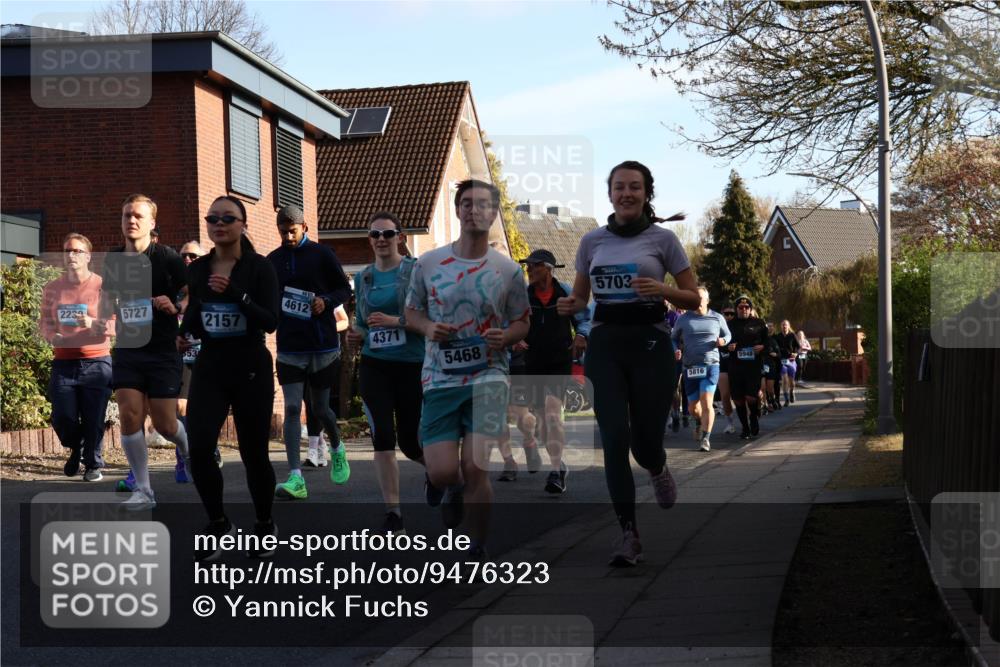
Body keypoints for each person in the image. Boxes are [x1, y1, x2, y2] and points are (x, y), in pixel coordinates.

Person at [558, 160, 699, 566]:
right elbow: (582, 299)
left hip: (651, 344)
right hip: (605, 344)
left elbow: (694, 298)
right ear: (610, 194)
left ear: (646, 193)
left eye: (634, 187)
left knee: (644, 442)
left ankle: (657, 466)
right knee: (615, 439)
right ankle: (628, 535)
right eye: (619, 187)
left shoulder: (664, 239)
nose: (626, 194)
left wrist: (663, 289)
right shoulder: (592, 241)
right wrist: (572, 304)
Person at [405, 178, 530, 560]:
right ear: (457, 210)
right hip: (440, 377)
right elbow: (411, 312)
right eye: (467, 204)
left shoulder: (508, 271)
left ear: (494, 213)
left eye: (483, 204)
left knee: (476, 466)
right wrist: (428, 327)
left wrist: (505, 338)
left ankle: (478, 547)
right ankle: (449, 486)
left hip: (488, 376)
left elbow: (523, 322)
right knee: (444, 471)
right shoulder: (428, 263)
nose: (474, 210)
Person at [179, 196, 281, 560]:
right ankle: (218, 522)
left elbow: (270, 321)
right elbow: (198, 311)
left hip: (251, 367)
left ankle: (265, 523)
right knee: (201, 446)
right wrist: (184, 331)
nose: (219, 224)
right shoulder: (198, 268)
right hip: (211, 367)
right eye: (213, 218)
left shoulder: (260, 268)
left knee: (254, 454)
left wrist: (236, 293)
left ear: (242, 224)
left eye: (228, 218)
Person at [94, 194, 189, 510]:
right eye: (126, 216)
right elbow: (108, 301)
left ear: (151, 222)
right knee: (129, 413)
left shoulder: (168, 258)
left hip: (163, 350)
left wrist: (175, 305)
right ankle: (145, 491)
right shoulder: (114, 259)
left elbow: (193, 294)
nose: (131, 221)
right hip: (130, 349)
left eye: (137, 216)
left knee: (165, 424)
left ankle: (191, 450)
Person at [345, 212, 428, 536]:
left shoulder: (415, 271)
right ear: (370, 240)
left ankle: (444, 477)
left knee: (409, 441)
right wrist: (356, 334)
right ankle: (393, 512)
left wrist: (396, 323)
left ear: (401, 237)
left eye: (388, 234)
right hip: (374, 364)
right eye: (375, 235)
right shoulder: (362, 278)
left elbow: (429, 319)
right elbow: (364, 324)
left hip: (410, 363)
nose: (381, 240)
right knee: (382, 434)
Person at [267, 205, 352, 500]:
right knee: (292, 408)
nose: (288, 236)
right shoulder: (273, 261)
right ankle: (295, 477)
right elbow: (268, 299)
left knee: (320, 409)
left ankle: (338, 447)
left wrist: (325, 301)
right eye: (283, 231)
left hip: (322, 346)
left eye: (292, 230)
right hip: (290, 346)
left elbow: (345, 290)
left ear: (304, 227)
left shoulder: (322, 255)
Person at [40, 233, 113, 481]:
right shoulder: (52, 288)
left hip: (96, 361)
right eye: (67, 251)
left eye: (77, 251)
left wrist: (94, 322)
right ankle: (76, 445)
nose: (71, 255)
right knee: (62, 416)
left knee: (94, 417)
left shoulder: (103, 285)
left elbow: (116, 324)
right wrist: (52, 337)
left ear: (88, 257)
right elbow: (45, 323)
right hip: (63, 362)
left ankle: (93, 464)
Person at [517, 248, 590, 493]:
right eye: (527, 266)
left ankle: (556, 470)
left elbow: (584, 318)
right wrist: (514, 337)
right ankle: (560, 464)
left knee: (551, 413)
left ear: (547, 269)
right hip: (534, 361)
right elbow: (510, 321)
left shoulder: (565, 292)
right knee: (541, 424)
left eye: (532, 266)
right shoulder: (523, 296)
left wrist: (581, 335)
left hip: (560, 360)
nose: (528, 270)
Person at [671, 286, 730, 452]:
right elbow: (673, 338)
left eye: (701, 298)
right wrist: (676, 349)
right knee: (693, 408)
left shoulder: (717, 318)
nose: (698, 301)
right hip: (689, 367)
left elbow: (728, 335)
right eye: (695, 298)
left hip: (711, 365)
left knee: (706, 402)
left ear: (707, 300)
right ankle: (698, 421)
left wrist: (723, 342)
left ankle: (706, 438)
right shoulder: (683, 319)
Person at [302, 304, 350, 468]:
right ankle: (321, 445)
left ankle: (314, 450)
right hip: (299, 354)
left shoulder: (326, 293)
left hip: (324, 356)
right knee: (308, 400)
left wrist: (327, 327)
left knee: (315, 403)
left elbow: (344, 321)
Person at [725, 296, 769, 439]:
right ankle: (745, 428)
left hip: (753, 367)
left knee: (751, 397)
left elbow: (768, 343)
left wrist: (762, 347)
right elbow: (722, 344)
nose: (744, 309)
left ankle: (754, 418)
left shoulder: (759, 323)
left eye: (747, 307)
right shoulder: (729, 325)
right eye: (740, 308)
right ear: (736, 309)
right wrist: (728, 347)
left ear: (750, 309)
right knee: (738, 399)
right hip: (735, 367)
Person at [717, 307, 737, 433]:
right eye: (726, 314)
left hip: (737, 364)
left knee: (739, 396)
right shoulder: (717, 327)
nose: (729, 316)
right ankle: (730, 423)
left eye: (732, 314)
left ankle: (747, 420)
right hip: (723, 364)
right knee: (725, 396)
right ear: (722, 314)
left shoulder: (737, 327)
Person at [775, 319, 801, 406]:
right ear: (780, 326)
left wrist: (796, 353)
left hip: (791, 360)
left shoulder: (792, 335)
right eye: (783, 325)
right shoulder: (778, 336)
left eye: (786, 325)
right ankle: (786, 399)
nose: (784, 326)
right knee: (784, 379)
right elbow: (775, 347)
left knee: (791, 381)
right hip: (782, 361)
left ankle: (792, 391)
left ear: (789, 326)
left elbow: (798, 347)